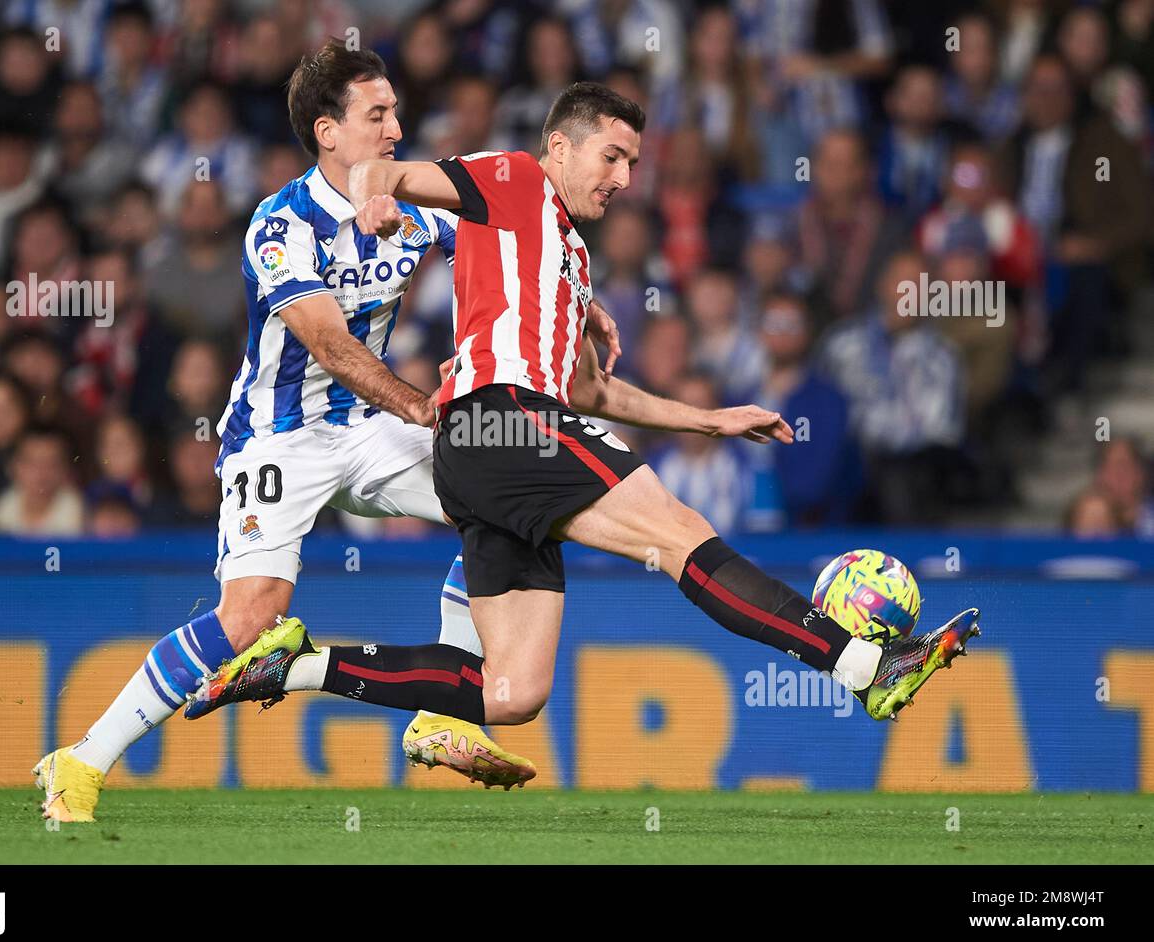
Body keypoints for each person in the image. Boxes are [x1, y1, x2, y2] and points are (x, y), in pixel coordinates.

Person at [185, 82, 981, 749]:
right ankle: (866, 669)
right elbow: (377, 171)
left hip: (479, 452)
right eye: (613, 156)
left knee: (509, 691)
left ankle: (294, 665)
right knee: (681, 538)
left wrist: (708, 420)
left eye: (634, 162)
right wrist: (371, 204)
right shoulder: (513, 178)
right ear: (559, 149)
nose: (626, 177)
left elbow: (595, 394)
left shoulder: (565, 252)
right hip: (508, 422)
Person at [34, 40, 620, 823]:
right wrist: (417, 405)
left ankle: (443, 714)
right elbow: (329, 343)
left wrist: (583, 302)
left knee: (501, 499)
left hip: (367, 428)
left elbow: (517, 239)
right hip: (279, 436)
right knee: (251, 615)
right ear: (326, 131)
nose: (394, 128)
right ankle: (78, 760)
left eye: (395, 111)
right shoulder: (280, 225)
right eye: (376, 114)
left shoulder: (410, 212)